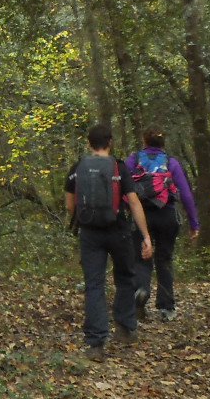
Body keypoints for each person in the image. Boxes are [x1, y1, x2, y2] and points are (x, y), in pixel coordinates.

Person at [65, 123, 153, 362]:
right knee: (125, 277)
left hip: (89, 233)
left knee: (94, 284)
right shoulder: (119, 167)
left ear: (89, 143)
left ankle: (96, 344)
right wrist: (145, 236)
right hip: (119, 231)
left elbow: (70, 206)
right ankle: (124, 328)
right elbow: (134, 203)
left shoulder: (77, 168)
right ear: (110, 142)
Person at [125, 127, 200, 321]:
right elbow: (186, 194)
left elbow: (121, 185)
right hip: (167, 215)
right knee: (164, 259)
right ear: (163, 143)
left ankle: (141, 290)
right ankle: (167, 308)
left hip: (142, 215)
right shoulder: (171, 163)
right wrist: (194, 223)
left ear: (144, 141)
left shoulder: (134, 160)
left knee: (141, 258)